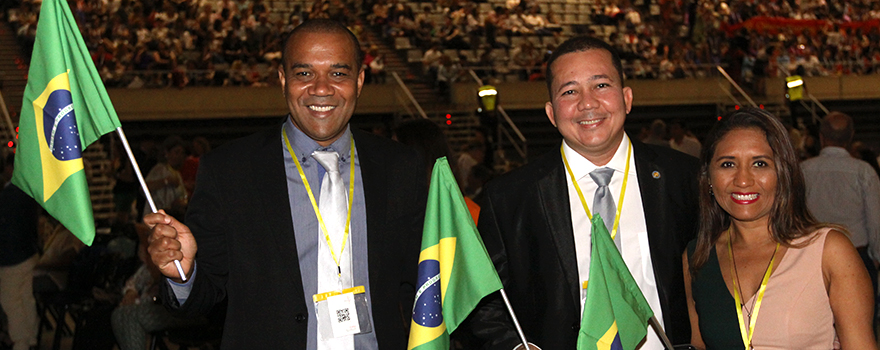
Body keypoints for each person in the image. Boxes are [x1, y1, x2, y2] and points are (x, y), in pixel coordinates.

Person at [145, 19, 427, 349]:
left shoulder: (400, 167)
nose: (321, 89)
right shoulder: (230, 171)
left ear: (360, 80)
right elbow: (203, 297)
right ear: (282, 80)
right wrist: (183, 271)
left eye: (338, 73)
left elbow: (426, 281)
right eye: (304, 73)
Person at [465, 36, 699, 349]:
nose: (587, 103)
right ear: (551, 112)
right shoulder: (510, 197)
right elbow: (482, 300)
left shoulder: (684, 177)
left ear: (627, 98)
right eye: (570, 91)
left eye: (601, 85)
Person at [684, 108, 877, 349]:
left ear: (783, 174)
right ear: (709, 178)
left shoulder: (828, 251)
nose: (743, 180)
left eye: (760, 163)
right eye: (728, 164)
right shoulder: (697, 256)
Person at [801, 112, 880, 323]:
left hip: (812, 258)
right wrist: (877, 256)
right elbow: (875, 221)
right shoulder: (864, 172)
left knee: (816, 327)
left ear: (821, 137)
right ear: (851, 136)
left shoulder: (803, 171)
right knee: (859, 325)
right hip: (857, 257)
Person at [0, 154, 41, 350]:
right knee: (26, 298)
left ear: (10, 168)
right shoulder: (28, 190)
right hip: (29, 251)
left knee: (11, 300)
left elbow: (6, 228)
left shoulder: (9, 195)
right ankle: (31, 338)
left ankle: (21, 341)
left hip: (11, 256)